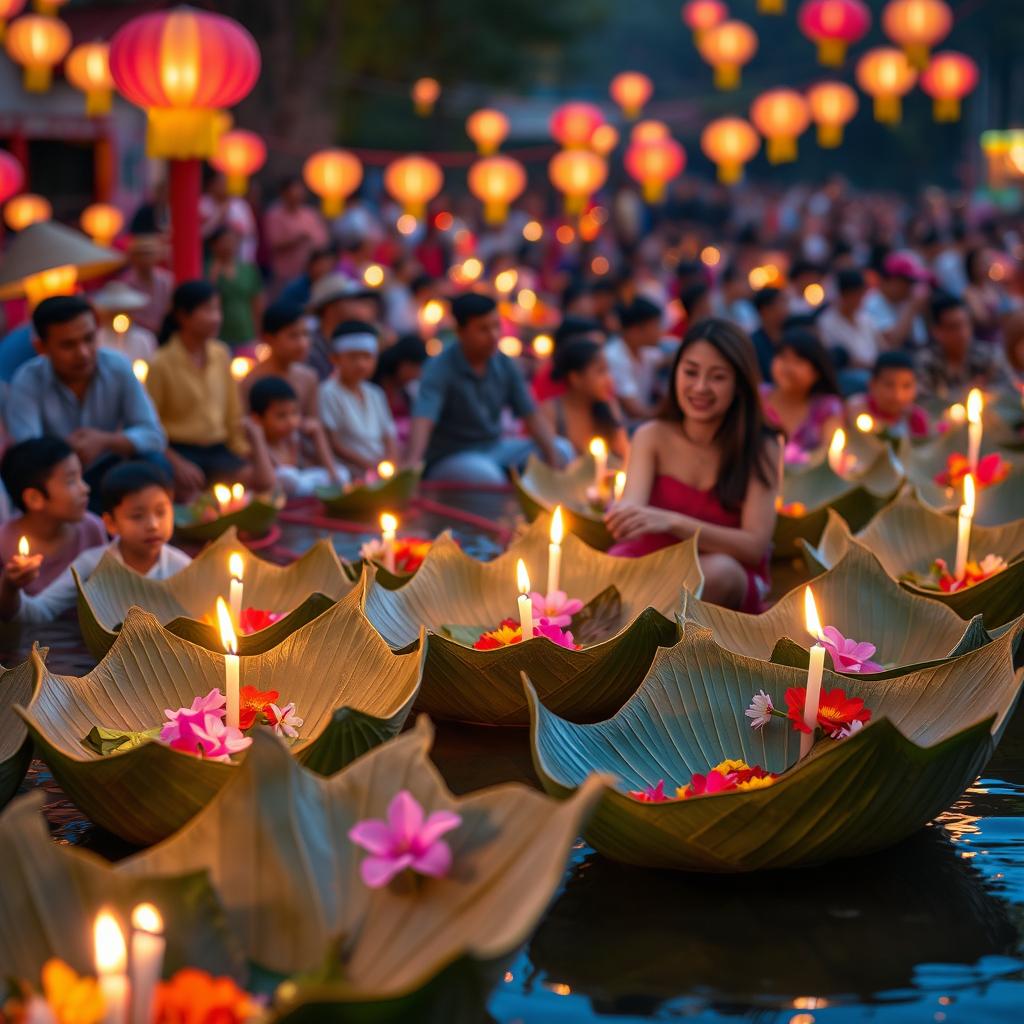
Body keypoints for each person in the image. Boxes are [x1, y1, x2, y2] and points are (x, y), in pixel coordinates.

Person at [605, 318, 779, 612]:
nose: (700, 387)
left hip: (722, 575)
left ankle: (640, 620)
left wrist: (674, 522)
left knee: (720, 572)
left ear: (739, 384)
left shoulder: (762, 446)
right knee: (610, 575)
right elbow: (632, 516)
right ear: (675, 374)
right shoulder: (651, 435)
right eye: (691, 372)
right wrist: (623, 517)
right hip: (651, 563)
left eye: (717, 377)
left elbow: (754, 546)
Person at [5, 296, 168, 506]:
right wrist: (67, 453)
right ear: (41, 347)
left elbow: (154, 435)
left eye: (89, 339)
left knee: (156, 462)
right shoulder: (26, 382)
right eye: (68, 345)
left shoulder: (117, 366)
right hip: (59, 483)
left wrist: (105, 441)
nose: (82, 353)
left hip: (110, 471)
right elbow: (29, 458)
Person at [405, 292, 569, 483]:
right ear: (461, 332)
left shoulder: (504, 363)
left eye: (496, 326)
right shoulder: (439, 368)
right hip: (452, 456)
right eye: (483, 329)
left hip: (494, 448)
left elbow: (530, 414)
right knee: (488, 477)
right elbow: (424, 419)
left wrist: (552, 456)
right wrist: (412, 467)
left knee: (563, 450)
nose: (494, 336)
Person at [0, 461, 191, 622]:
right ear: (110, 523)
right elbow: (40, 611)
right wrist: (10, 586)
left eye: (161, 512)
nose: (153, 525)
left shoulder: (182, 568)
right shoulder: (91, 565)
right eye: (137, 516)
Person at [146, 281, 271, 498]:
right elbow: (150, 425)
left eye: (217, 309)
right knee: (189, 495)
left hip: (218, 450)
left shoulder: (221, 353)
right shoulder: (161, 363)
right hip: (181, 451)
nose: (216, 318)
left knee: (263, 481)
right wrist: (175, 462)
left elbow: (233, 411)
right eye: (207, 310)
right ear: (183, 316)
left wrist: (243, 450)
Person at [0, 437, 107, 596]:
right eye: (71, 481)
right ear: (34, 498)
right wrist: (10, 585)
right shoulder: (3, 541)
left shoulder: (92, 528)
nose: (85, 488)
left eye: (81, 477)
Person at [319, 324, 398, 473]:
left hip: (380, 469)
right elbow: (333, 443)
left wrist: (390, 461)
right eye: (353, 357)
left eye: (367, 357)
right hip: (348, 470)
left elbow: (389, 435)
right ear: (335, 359)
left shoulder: (376, 393)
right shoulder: (327, 392)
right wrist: (370, 465)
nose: (361, 364)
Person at [248, 376, 344, 497]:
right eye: (281, 416)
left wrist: (318, 435)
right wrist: (257, 438)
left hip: (303, 501)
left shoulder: (293, 440)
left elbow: (334, 476)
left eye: (294, 413)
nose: (291, 421)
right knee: (288, 477)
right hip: (278, 503)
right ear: (257, 419)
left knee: (342, 473)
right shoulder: (255, 447)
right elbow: (268, 485)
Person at [760, 330, 844, 455]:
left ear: (816, 372)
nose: (787, 367)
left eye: (798, 361)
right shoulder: (756, 396)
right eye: (783, 357)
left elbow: (830, 456)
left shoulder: (827, 407)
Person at [542, 339, 627, 459]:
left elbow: (624, 455)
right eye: (600, 372)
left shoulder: (609, 406)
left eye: (608, 371)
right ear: (575, 378)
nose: (609, 380)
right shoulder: (551, 411)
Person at [916, 293, 1006, 401]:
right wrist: (964, 394)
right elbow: (922, 403)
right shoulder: (925, 362)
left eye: (966, 324)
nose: (963, 333)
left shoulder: (989, 355)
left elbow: (1008, 392)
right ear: (937, 331)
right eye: (954, 327)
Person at [240, 300, 319, 421]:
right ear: (268, 338)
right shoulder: (250, 383)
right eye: (293, 336)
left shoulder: (309, 377)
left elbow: (313, 423)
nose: (303, 344)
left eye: (305, 334)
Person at [817, 269, 881, 392]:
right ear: (844, 295)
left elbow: (882, 346)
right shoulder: (826, 322)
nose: (861, 299)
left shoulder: (866, 318)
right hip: (847, 376)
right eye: (857, 295)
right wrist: (872, 367)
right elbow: (835, 359)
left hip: (874, 370)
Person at [305, 273, 378, 380]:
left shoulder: (350, 338)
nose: (357, 304)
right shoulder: (309, 346)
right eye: (350, 299)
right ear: (331, 306)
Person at [603, 297, 665, 421]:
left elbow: (665, 360)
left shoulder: (646, 350)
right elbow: (635, 411)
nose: (660, 332)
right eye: (655, 326)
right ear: (635, 331)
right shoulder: (614, 357)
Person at [263, 177, 329, 291]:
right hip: (285, 274)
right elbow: (273, 243)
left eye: (300, 192)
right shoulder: (274, 215)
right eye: (294, 192)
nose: (297, 196)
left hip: (310, 274)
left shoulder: (310, 214)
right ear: (284, 193)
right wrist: (297, 240)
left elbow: (322, 240)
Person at [848, 352, 931, 439]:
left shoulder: (916, 419)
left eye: (906, 386)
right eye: (889, 385)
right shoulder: (856, 410)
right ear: (872, 384)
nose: (898, 395)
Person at [205, 226, 263, 348]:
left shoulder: (248, 270)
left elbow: (257, 303)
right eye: (224, 241)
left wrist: (259, 333)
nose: (229, 246)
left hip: (246, 333)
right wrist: (213, 276)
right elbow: (204, 300)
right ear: (213, 245)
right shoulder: (206, 269)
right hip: (218, 335)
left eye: (232, 241)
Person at [862, 251, 930, 350]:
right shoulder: (871, 302)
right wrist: (912, 309)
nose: (911, 287)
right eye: (908, 281)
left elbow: (921, 341)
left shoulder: (904, 300)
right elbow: (891, 344)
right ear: (889, 281)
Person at [90, 281, 158, 365]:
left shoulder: (144, 339)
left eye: (124, 312)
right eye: (114, 312)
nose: (119, 317)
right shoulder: (98, 338)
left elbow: (152, 366)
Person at [119, 234, 174, 335]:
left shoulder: (167, 280)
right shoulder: (125, 283)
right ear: (131, 256)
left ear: (158, 255)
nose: (145, 258)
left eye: (148, 253)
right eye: (140, 253)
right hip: (136, 333)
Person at [199, 171, 259, 264]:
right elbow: (200, 233)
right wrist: (219, 216)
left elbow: (249, 231)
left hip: (238, 257)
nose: (223, 186)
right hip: (208, 256)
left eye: (225, 183)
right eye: (219, 183)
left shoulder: (239, 204)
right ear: (211, 185)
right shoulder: (203, 204)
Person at [374, 333, 428, 422]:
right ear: (401, 363)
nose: (417, 374)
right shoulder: (374, 389)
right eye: (413, 367)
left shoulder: (409, 392)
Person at [750, 287, 788, 380]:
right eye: (781, 304)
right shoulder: (753, 343)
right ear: (765, 310)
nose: (786, 308)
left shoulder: (791, 336)